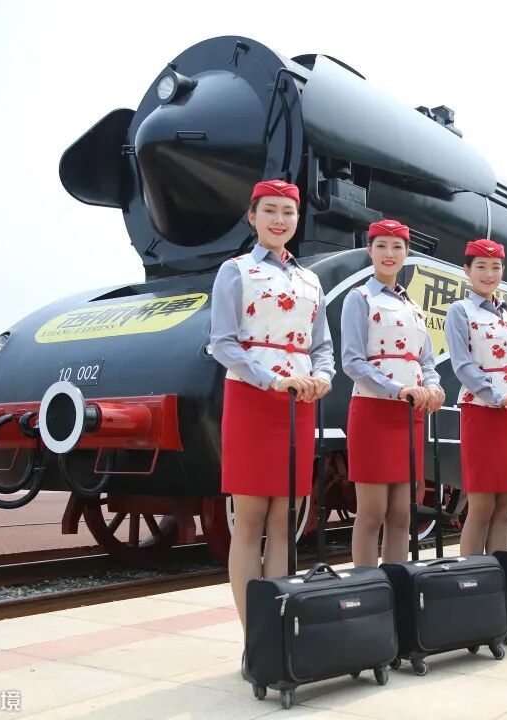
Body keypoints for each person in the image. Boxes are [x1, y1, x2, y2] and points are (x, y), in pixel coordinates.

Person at [208, 179, 334, 636]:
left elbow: (322, 345)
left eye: (288, 212)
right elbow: (222, 343)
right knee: (250, 521)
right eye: (270, 211)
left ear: (298, 218)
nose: (280, 220)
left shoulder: (310, 280)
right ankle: (254, 637)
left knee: (285, 518)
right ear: (252, 216)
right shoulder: (235, 271)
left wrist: (324, 376)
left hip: (299, 402)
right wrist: (272, 380)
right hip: (252, 399)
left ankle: (278, 632)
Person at [340, 219, 445, 566]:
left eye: (397, 246)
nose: (389, 253)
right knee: (371, 512)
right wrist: (398, 389)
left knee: (401, 513)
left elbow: (426, 359)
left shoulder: (414, 307)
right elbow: (353, 361)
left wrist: (434, 385)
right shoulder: (359, 298)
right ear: (369, 250)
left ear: (406, 252)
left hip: (409, 414)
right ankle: (367, 586)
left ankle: (396, 585)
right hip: (373, 412)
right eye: (381, 246)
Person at [446, 239, 507, 554]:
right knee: (481, 504)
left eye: (495, 267)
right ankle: (473, 576)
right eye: (481, 267)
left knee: (506, 503)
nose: (489, 274)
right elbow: (462, 365)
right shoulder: (460, 311)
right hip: (481, 411)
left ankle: (501, 572)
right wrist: (498, 395)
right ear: (467, 270)